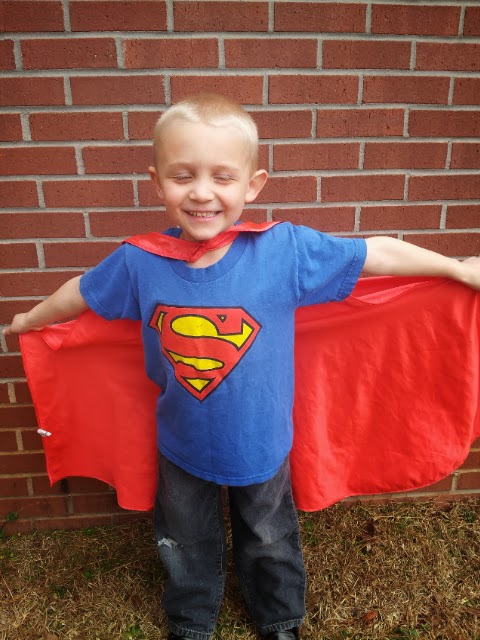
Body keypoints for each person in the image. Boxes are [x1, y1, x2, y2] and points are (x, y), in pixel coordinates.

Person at [3, 93, 480, 640]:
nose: (202, 192)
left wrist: (456, 270)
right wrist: (30, 319)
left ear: (253, 185)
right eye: (183, 176)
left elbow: (375, 253)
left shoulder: (282, 251)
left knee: (270, 535)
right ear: (157, 183)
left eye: (222, 177)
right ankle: (191, 620)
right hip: (180, 439)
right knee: (185, 538)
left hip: (261, 440)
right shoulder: (139, 261)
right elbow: (81, 293)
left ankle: (279, 619)